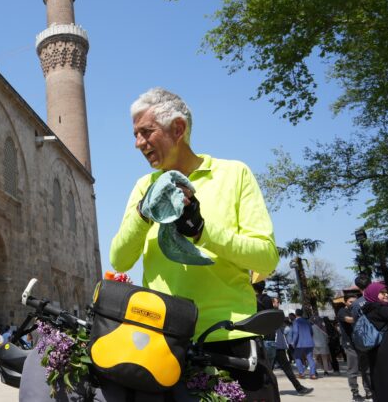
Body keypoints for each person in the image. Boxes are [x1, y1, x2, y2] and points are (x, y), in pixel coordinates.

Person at [110, 88, 280, 400]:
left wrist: (202, 231)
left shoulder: (233, 174)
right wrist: (143, 211)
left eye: (146, 132)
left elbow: (266, 259)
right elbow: (119, 260)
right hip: (164, 344)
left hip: (231, 340)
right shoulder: (143, 187)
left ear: (178, 129)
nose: (138, 143)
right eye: (135, 134)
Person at [361, 282, 388, 402]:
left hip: (376, 349)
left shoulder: (368, 308)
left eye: (386, 292)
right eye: (382, 293)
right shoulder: (380, 308)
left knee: (380, 377)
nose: (386, 295)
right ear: (374, 293)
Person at [271, 299, 313, 395]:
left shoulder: (278, 313)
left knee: (286, 368)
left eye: (278, 302)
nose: (278, 304)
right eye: (276, 302)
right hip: (273, 344)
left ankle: (299, 388)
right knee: (270, 370)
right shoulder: (271, 313)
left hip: (278, 345)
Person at [338, 294, 373, 401]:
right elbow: (350, 320)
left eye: (355, 301)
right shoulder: (342, 311)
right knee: (353, 370)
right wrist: (362, 315)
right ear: (345, 302)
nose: (353, 303)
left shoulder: (358, 310)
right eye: (350, 302)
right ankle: (355, 393)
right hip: (350, 345)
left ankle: (368, 391)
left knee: (366, 369)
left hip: (361, 344)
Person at [290, 309, 317, 380]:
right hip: (309, 343)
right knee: (310, 358)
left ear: (296, 314)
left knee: (297, 357)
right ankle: (313, 374)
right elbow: (311, 332)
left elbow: (296, 332)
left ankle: (301, 373)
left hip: (300, 343)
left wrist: (293, 342)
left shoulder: (295, 321)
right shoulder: (307, 321)